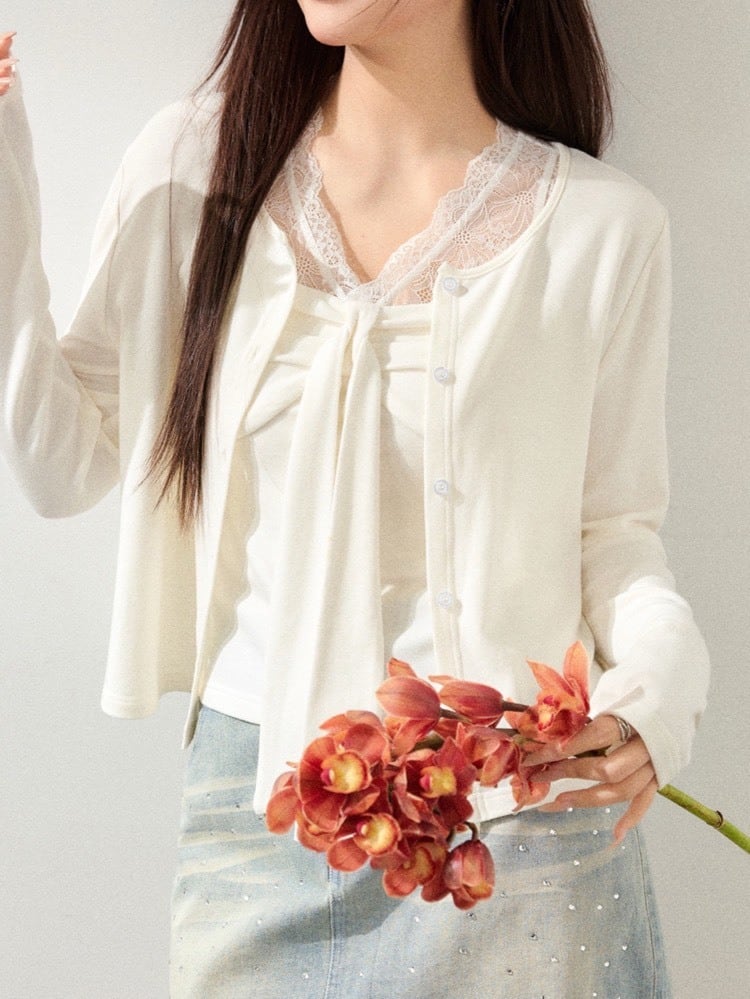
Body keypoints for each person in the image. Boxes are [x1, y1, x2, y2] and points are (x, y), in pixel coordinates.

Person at [0, 2, 710, 997]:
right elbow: (58, 463)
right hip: (254, 823)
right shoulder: (189, 172)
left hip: (522, 833)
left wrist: (658, 703)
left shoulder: (606, 227)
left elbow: (618, 538)